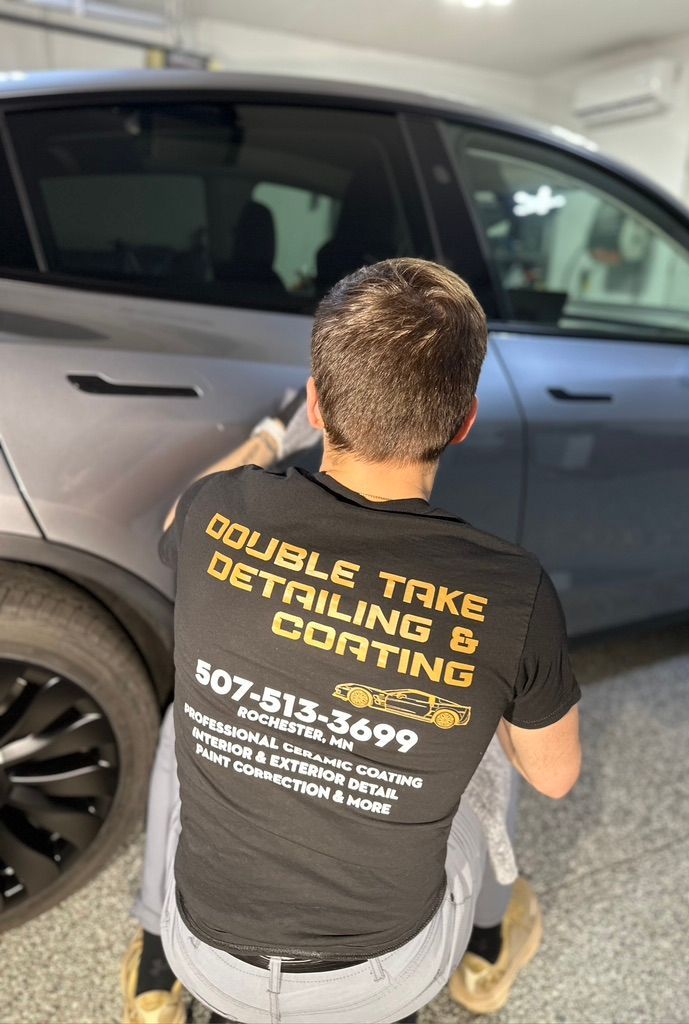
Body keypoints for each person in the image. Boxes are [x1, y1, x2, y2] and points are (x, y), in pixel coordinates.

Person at [121, 258, 582, 1024]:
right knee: (492, 742)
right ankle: (489, 943)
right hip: (378, 979)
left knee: (187, 717)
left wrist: (271, 439)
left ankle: (157, 953)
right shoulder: (512, 590)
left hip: (210, 952)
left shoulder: (214, 512)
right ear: (464, 421)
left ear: (316, 401)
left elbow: (173, 526)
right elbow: (557, 777)